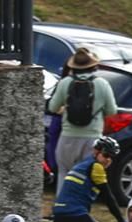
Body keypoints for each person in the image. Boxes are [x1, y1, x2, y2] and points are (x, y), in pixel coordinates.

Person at [46, 47, 118, 187]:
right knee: (85, 176)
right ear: (93, 67)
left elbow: (52, 107)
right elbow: (112, 110)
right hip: (92, 138)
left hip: (68, 136)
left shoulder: (65, 82)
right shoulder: (102, 84)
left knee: (64, 173)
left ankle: (62, 205)